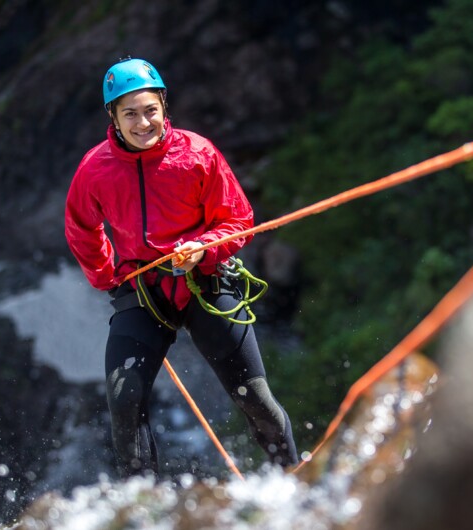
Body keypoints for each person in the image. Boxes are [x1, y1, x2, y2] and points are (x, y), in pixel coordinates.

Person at [64, 57, 298, 477]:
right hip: (142, 292)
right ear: (113, 118)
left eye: (150, 110)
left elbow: (238, 220)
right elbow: (82, 227)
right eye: (130, 113)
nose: (142, 123)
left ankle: (293, 476)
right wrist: (108, 277)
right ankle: (143, 509)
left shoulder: (197, 154)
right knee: (124, 400)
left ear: (164, 107)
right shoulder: (95, 169)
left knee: (254, 397)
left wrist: (203, 247)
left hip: (203, 281)